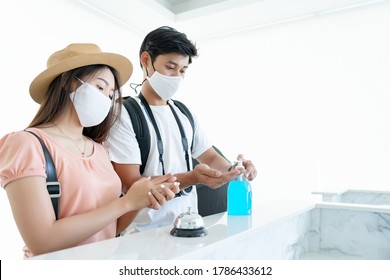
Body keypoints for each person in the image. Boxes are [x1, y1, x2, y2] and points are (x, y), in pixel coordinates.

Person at [0, 43, 179, 257]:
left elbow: (109, 230)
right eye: (100, 87)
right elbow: (42, 241)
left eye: (111, 94)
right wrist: (127, 202)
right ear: (68, 83)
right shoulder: (26, 144)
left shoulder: (99, 150)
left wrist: (141, 199)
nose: (106, 99)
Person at [104, 26, 257, 235]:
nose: (177, 76)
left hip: (189, 227)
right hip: (141, 234)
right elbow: (134, 184)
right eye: (170, 67)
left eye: (183, 70)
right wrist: (193, 178)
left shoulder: (183, 113)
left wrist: (235, 170)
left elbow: (210, 157)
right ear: (146, 60)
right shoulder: (123, 114)